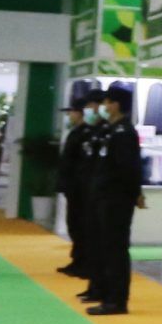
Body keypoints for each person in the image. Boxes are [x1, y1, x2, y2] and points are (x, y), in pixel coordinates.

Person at [81, 84, 144, 316]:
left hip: (116, 198)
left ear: (116, 105)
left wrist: (134, 194)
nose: (104, 106)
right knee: (104, 246)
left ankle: (117, 300)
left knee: (115, 248)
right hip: (103, 195)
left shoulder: (124, 132)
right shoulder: (109, 130)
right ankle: (106, 293)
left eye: (107, 102)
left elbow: (129, 168)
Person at [55, 103, 92, 279]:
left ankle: (84, 262)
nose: (69, 116)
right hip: (73, 186)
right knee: (74, 225)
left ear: (80, 113)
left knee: (81, 226)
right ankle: (78, 260)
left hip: (81, 187)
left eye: (71, 112)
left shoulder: (86, 133)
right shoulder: (76, 132)